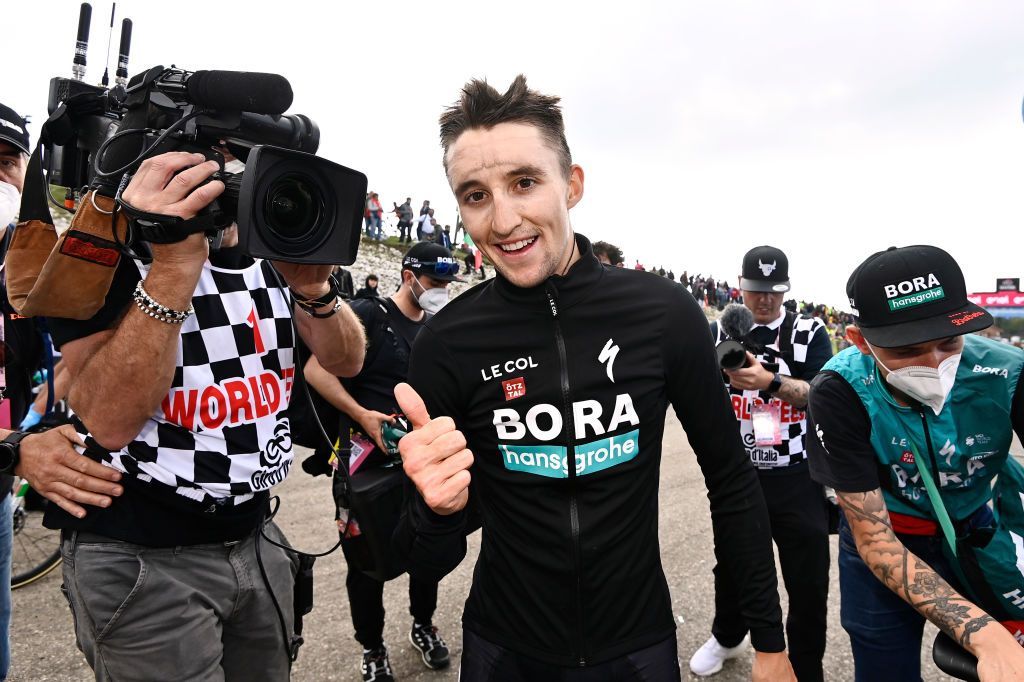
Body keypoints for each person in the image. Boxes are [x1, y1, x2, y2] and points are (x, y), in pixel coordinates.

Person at [393, 75, 796, 681]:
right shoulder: (449, 341)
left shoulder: (663, 313)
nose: (503, 220)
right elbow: (423, 556)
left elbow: (731, 484)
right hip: (505, 645)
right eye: (475, 196)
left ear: (572, 185)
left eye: (524, 183)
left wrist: (770, 643)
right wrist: (438, 509)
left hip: (635, 642)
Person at [42, 150, 365, 681]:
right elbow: (108, 421)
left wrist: (313, 289)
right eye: (204, 167)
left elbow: (347, 359)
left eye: (236, 167)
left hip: (256, 532)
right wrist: (173, 268)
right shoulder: (106, 251)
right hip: (142, 550)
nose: (222, 184)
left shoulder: (277, 251)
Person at [807, 245, 1024, 681]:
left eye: (949, 342)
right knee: (883, 662)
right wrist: (983, 635)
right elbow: (875, 541)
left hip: (974, 527)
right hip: (888, 536)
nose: (934, 363)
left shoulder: (1010, 371)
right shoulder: (837, 389)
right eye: (906, 349)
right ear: (860, 342)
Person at [305, 242, 461, 682]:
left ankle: (423, 624)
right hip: (361, 466)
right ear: (409, 275)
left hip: (417, 466)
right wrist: (362, 416)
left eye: (448, 283)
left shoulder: (435, 328)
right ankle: (372, 648)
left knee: (424, 551)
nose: (441, 290)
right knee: (366, 563)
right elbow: (316, 370)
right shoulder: (369, 315)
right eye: (435, 282)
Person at [692, 246, 833, 680]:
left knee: (808, 579)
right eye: (756, 291)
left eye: (773, 291)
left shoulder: (809, 330)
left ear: (785, 289)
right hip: (742, 474)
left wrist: (770, 382)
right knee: (732, 566)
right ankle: (727, 636)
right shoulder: (721, 331)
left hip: (797, 473)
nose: (765, 300)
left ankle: (806, 666)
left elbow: (824, 396)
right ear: (741, 286)